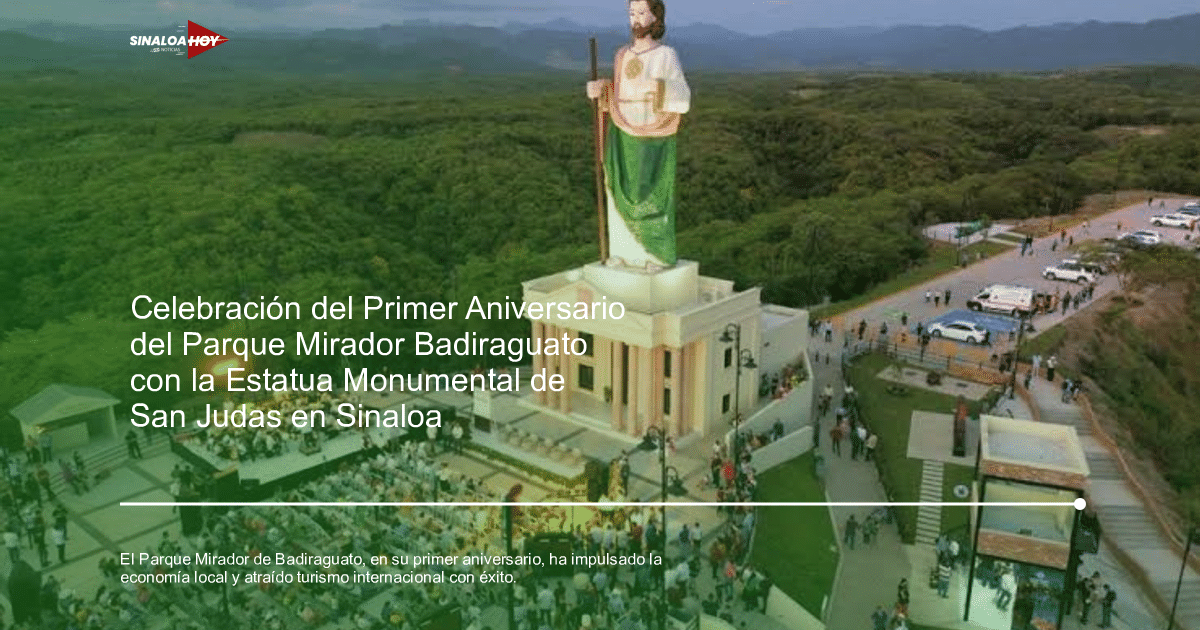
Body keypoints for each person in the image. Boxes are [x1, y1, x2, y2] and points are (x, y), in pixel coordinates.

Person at [586, 0, 690, 269]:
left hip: (653, 133)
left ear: (656, 16)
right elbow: (617, 95)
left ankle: (655, 255)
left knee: (650, 194)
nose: (635, 19)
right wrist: (601, 89)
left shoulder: (666, 55)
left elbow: (683, 97)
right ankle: (623, 252)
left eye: (641, 13)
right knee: (618, 188)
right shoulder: (622, 55)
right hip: (622, 130)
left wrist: (654, 87)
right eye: (631, 13)